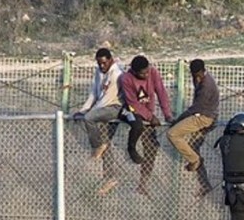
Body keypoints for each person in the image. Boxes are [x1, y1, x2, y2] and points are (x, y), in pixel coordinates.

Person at [73, 48, 125, 196]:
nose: (102, 66)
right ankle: (110, 177)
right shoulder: (99, 72)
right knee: (105, 141)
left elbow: (107, 98)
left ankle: (96, 146)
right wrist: (84, 109)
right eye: (99, 63)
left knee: (90, 120)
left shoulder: (117, 74)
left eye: (104, 63)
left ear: (111, 60)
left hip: (114, 107)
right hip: (101, 108)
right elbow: (94, 93)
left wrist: (90, 113)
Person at [119, 55, 173, 194]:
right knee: (137, 125)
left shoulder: (153, 72)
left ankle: (143, 183)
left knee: (151, 148)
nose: (146, 75)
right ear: (134, 71)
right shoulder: (126, 78)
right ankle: (131, 148)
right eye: (142, 74)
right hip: (132, 111)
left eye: (147, 72)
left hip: (148, 115)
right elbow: (132, 102)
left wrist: (167, 114)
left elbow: (161, 92)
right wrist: (150, 117)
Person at [166, 58, 219, 198]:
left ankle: (194, 160)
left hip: (204, 118)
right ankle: (204, 183)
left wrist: (178, 120)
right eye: (193, 74)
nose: (195, 77)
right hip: (205, 115)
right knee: (193, 147)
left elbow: (195, 108)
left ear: (202, 71)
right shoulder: (201, 78)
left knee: (172, 134)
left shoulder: (206, 87)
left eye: (197, 75)